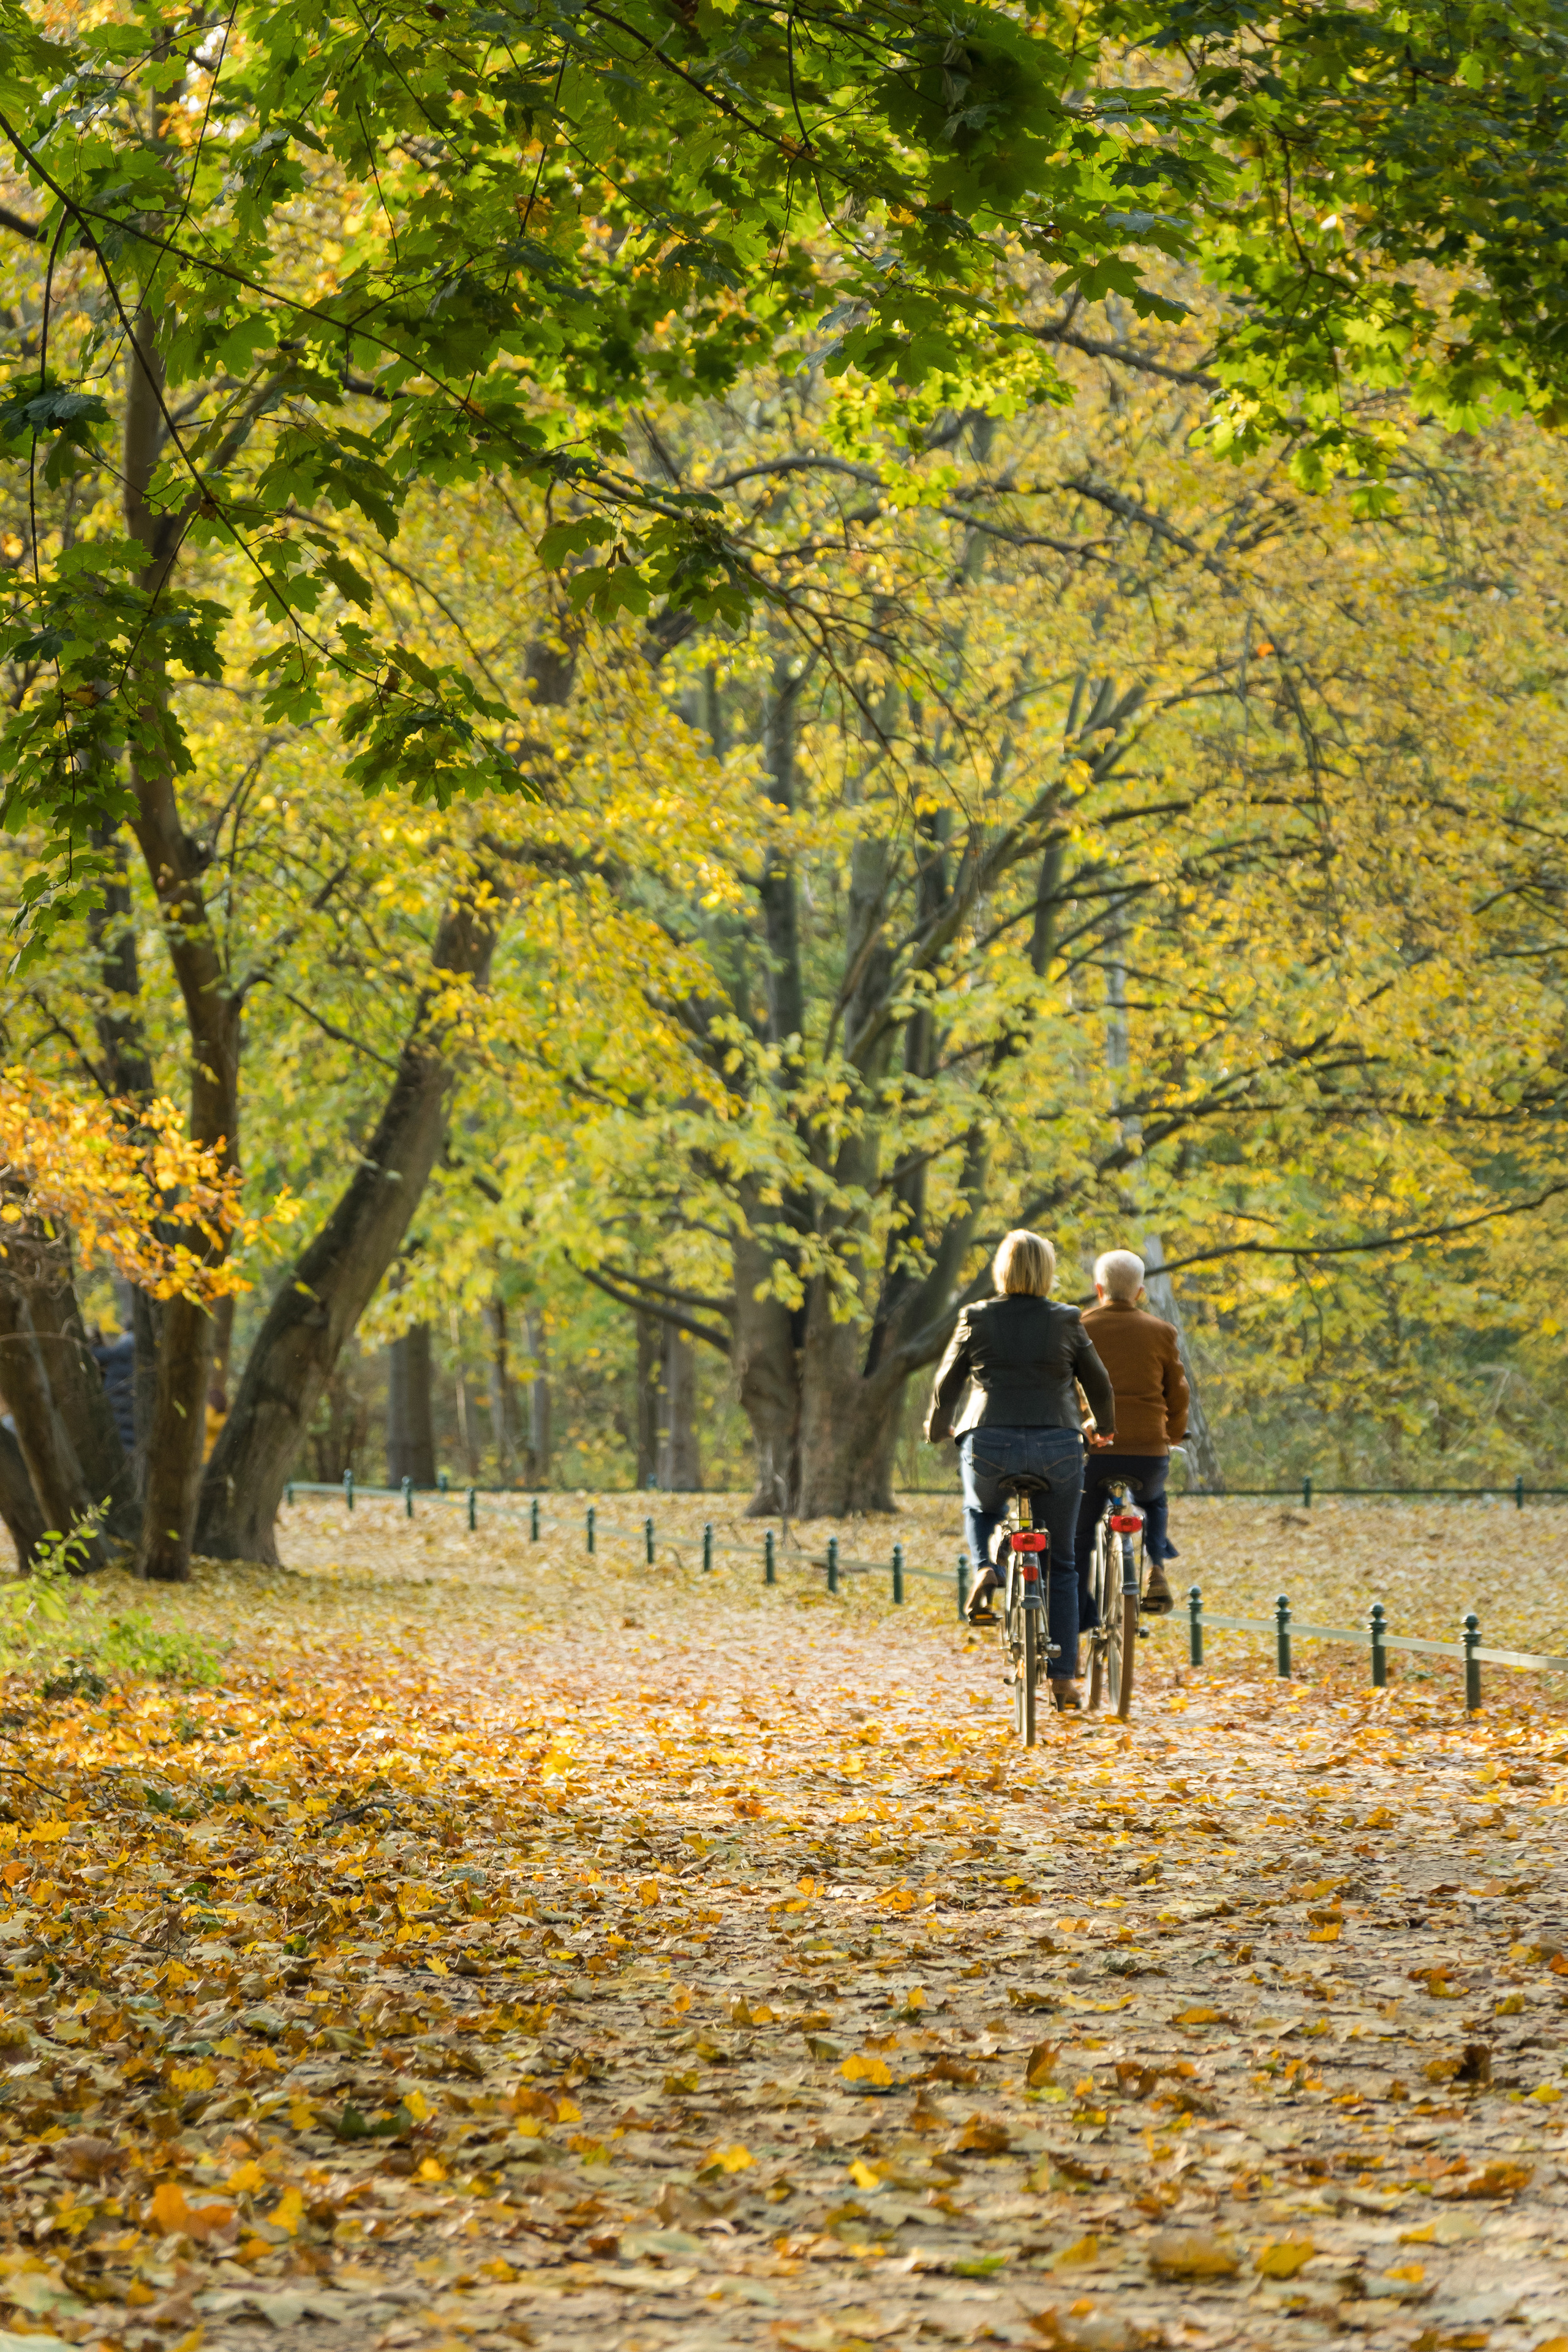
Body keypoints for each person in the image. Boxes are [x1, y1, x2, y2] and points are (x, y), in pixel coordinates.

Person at [924, 1229, 1116, 1711]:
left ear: (1001, 1269)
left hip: (989, 1441)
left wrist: (938, 1425)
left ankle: (988, 1567)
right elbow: (1099, 1383)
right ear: (1048, 1271)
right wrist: (1104, 1428)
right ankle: (1062, 1681)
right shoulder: (1068, 1319)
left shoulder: (976, 1317)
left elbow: (948, 1381)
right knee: (1065, 1564)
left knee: (980, 1508)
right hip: (1058, 1446)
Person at [1077, 1248, 1189, 1621]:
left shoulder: (1080, 1327)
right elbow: (1178, 1391)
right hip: (1147, 1451)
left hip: (1094, 1450)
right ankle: (1156, 1566)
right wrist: (1171, 1434)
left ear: (1098, 1289)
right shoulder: (1162, 1332)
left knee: (1081, 1531)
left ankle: (1082, 1616)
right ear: (1140, 1292)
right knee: (1154, 1502)